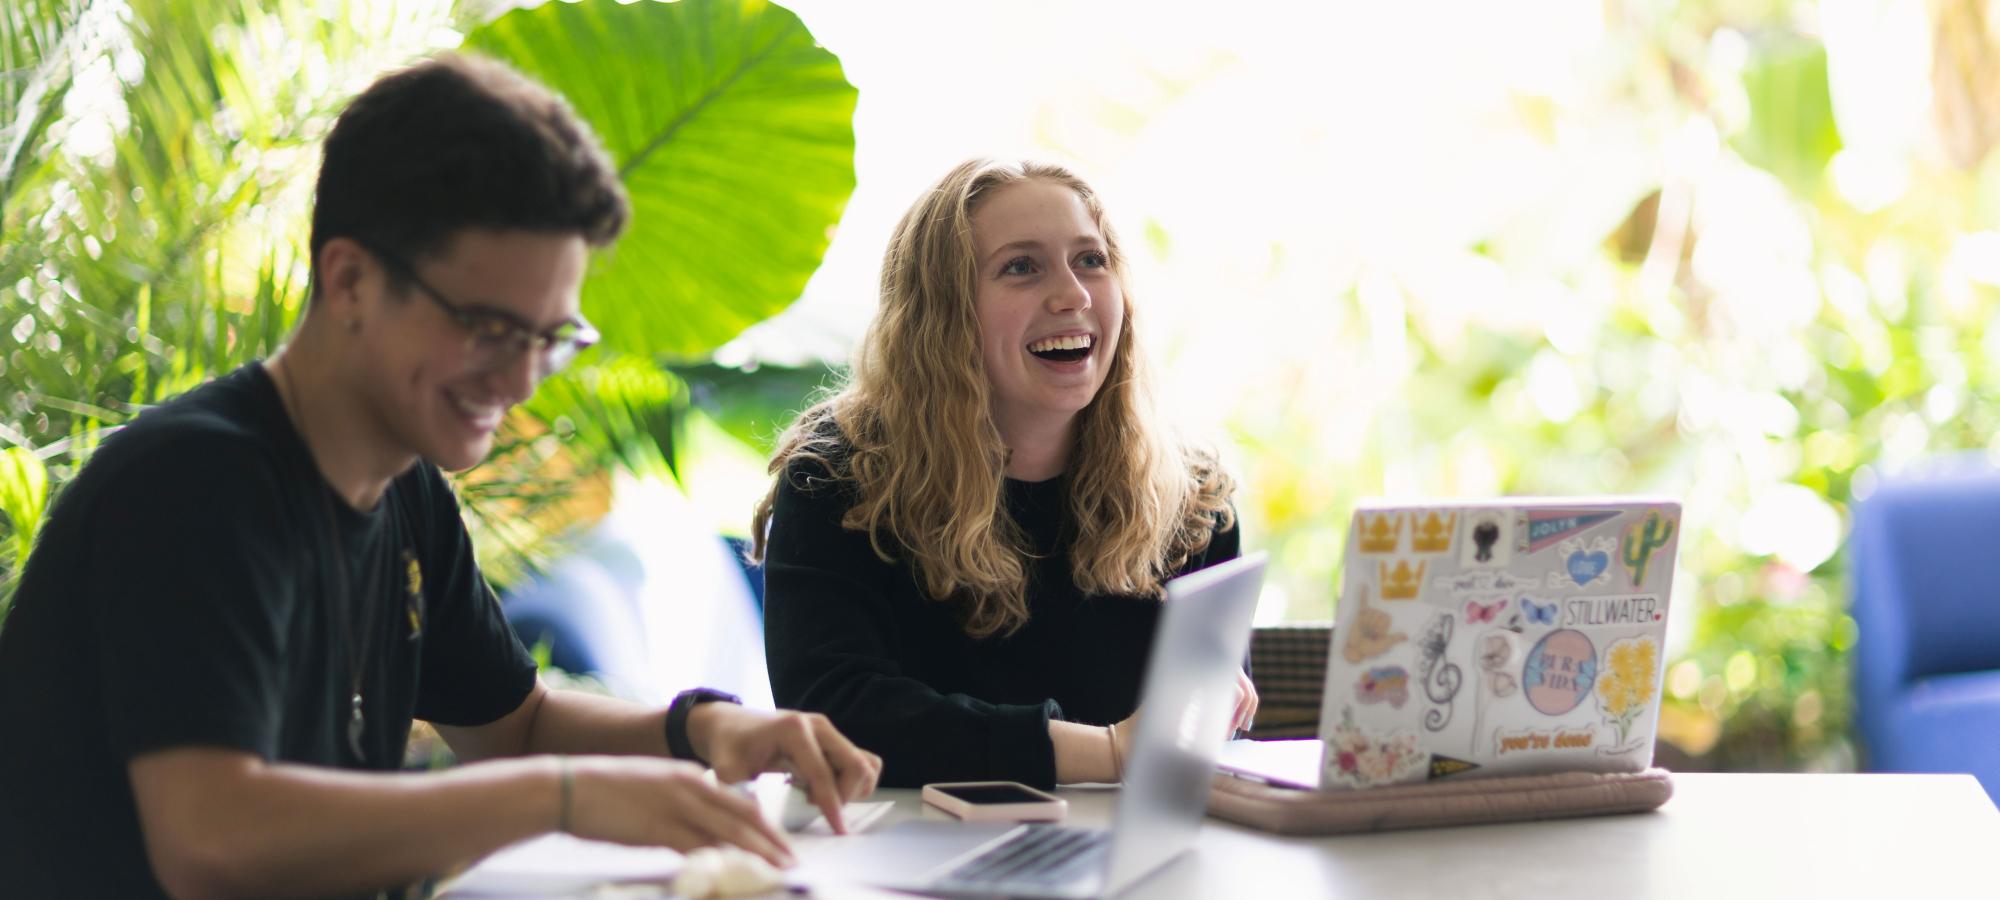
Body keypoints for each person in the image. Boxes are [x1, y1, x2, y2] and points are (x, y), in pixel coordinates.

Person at [0, 54, 878, 900]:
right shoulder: (196, 484)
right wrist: (562, 798)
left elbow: (518, 725)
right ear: (349, 279)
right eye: (489, 326)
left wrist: (703, 729)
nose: (523, 379)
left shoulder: (406, 487)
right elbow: (212, 842)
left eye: (551, 337)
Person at [751, 159, 1255, 791]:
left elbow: (1190, 732)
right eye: (1021, 266)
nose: (1071, 294)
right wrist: (1110, 753)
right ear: (941, 314)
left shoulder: (1192, 497)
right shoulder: (839, 478)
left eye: (1091, 260)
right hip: (906, 866)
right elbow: (833, 714)